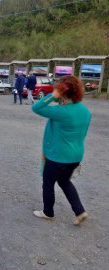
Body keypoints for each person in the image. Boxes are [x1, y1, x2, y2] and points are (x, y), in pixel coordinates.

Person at [32, 75, 91, 226]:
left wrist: (53, 96)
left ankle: (48, 212)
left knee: (48, 183)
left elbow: (36, 107)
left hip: (58, 156)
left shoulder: (61, 112)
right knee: (64, 181)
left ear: (62, 92)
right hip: (75, 155)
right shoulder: (85, 111)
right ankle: (79, 211)